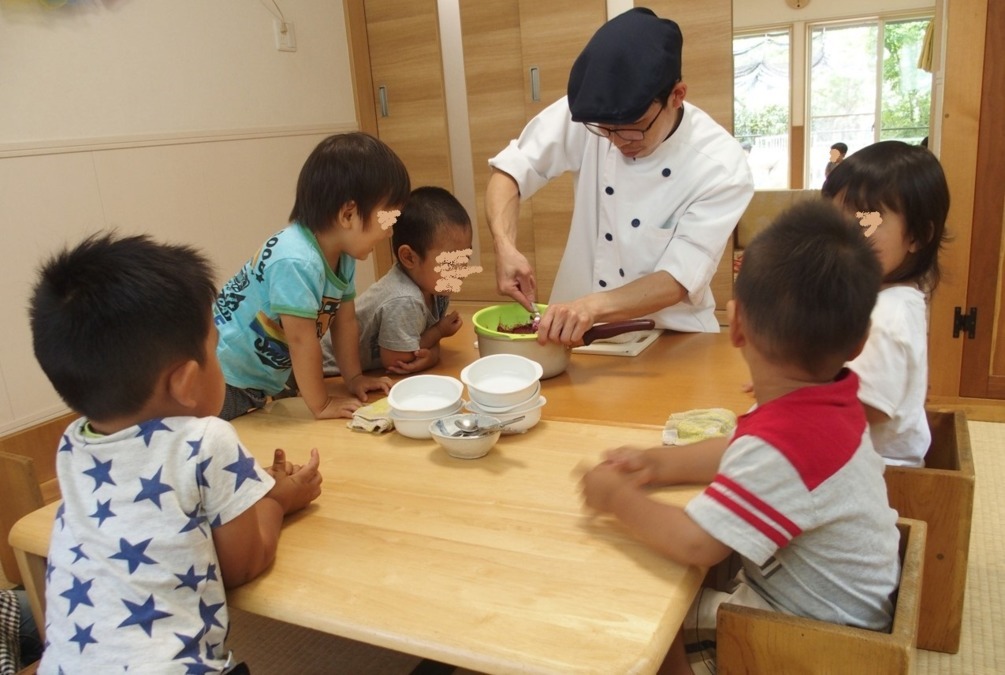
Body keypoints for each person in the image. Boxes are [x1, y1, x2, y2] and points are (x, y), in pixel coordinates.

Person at [580, 200, 900, 674]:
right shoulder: (828, 401)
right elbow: (740, 447)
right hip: (841, 611)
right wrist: (658, 463)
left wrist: (617, 499)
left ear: (737, 325)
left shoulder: (782, 448)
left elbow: (697, 544)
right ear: (859, 341)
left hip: (815, 644)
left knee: (643, 623)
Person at [28, 233, 324, 674]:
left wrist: (239, 493)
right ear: (186, 382)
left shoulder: (74, 443)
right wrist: (277, 500)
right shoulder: (209, 438)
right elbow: (243, 564)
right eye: (215, 348)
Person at [486, 7, 754, 344]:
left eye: (633, 130)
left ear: (677, 95)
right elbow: (511, 170)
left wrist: (591, 307)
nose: (616, 142)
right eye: (605, 131)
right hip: (572, 332)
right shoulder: (592, 116)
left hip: (670, 336)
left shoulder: (721, 165)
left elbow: (678, 278)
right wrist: (504, 244)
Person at [215, 132, 411, 420]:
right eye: (387, 219)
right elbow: (301, 341)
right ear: (348, 214)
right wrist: (321, 404)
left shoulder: (342, 255)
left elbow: (344, 323)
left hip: (264, 375)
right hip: (227, 377)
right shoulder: (296, 260)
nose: (390, 231)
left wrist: (354, 378)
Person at [822, 140, 949, 467]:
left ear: (918, 236)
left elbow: (870, 407)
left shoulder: (888, 314)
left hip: (883, 473)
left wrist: (793, 393)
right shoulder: (879, 298)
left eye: (866, 224)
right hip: (863, 458)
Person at [321, 186, 472, 376]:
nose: (460, 271)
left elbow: (415, 341)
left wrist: (432, 347)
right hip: (329, 372)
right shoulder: (404, 299)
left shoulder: (435, 288)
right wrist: (438, 334)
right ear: (409, 257)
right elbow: (398, 360)